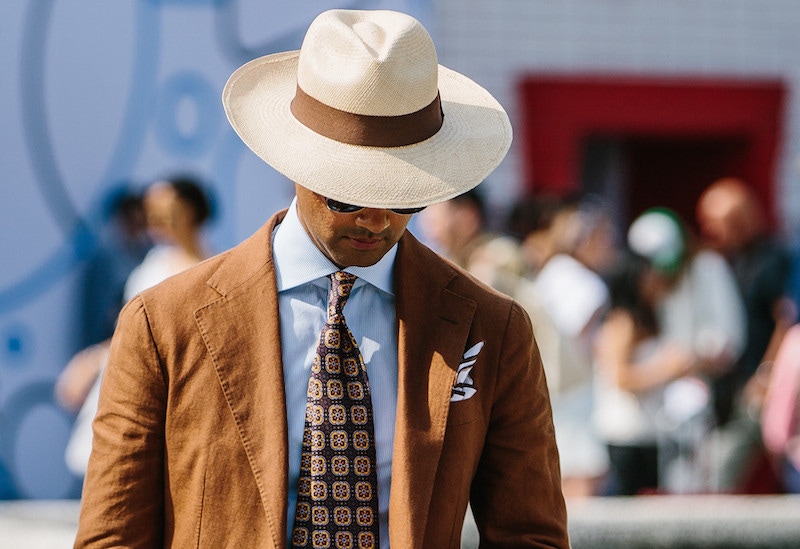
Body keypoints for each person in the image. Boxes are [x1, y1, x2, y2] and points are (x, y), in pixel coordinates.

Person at [74, 9, 568, 549]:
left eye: (406, 196)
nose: (377, 220)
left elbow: (530, 533)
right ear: (297, 164)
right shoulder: (163, 322)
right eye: (349, 193)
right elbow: (112, 534)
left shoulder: (492, 326)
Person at [62, 174, 215, 478]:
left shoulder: (214, 266)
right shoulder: (151, 264)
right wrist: (92, 359)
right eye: (151, 210)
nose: (156, 218)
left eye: (166, 208)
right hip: (134, 373)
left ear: (190, 210)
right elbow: (131, 327)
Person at [627, 207, 747, 493]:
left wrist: (693, 362)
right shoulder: (645, 282)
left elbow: (729, 339)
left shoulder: (708, 267)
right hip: (655, 411)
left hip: (709, 401)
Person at [592, 251, 695, 495]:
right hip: (625, 434)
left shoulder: (650, 319)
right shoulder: (622, 323)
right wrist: (666, 369)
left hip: (651, 432)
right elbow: (620, 378)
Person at [417, 186, 526, 297]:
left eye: (434, 222)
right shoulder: (447, 261)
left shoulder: (500, 254)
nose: (428, 230)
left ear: (467, 215)